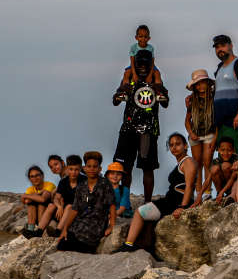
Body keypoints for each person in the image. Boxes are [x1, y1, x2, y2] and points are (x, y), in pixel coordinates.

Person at [120, 133, 198, 251]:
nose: (174, 147)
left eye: (178, 144)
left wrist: (183, 206)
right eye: (171, 145)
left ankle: (128, 245)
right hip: (170, 201)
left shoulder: (188, 162)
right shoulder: (182, 162)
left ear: (186, 146)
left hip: (174, 203)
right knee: (148, 219)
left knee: (140, 212)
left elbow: (190, 186)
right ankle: (142, 246)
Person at [112, 49, 169, 201]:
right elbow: (115, 100)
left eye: (146, 63)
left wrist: (160, 91)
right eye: (140, 63)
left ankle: (148, 202)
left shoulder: (157, 81)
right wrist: (122, 90)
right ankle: (124, 202)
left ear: (151, 64)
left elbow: (165, 103)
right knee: (124, 168)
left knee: (147, 168)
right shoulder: (129, 79)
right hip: (128, 129)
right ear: (135, 64)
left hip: (148, 131)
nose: (142, 67)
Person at [57, 152, 113, 253]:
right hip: (78, 225)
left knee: (83, 249)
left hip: (95, 227)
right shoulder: (81, 186)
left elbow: (112, 205)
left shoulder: (105, 184)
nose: (92, 169)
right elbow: (74, 209)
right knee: (62, 245)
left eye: (95, 166)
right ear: (85, 168)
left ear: (99, 169)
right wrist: (65, 228)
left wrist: (111, 225)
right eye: (89, 166)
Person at [210, 34, 238, 150]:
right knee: (223, 159)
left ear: (231, 45)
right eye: (217, 47)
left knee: (232, 158)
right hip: (221, 122)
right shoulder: (219, 68)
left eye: (223, 45)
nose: (220, 49)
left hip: (234, 121)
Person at [184, 69, 217, 196]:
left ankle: (207, 192)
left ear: (208, 83)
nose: (200, 86)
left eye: (203, 83)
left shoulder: (214, 98)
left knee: (207, 161)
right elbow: (187, 120)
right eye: (197, 84)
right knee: (197, 163)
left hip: (210, 133)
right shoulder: (192, 100)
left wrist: (215, 138)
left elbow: (218, 120)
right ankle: (198, 192)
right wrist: (191, 132)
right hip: (195, 134)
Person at [37, 154, 81, 236]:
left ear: (63, 163)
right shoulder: (62, 181)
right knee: (51, 204)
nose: (54, 168)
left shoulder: (72, 175)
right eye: (51, 167)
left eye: (56, 164)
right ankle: (38, 231)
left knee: (63, 204)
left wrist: (55, 192)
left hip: (73, 207)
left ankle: (57, 230)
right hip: (64, 205)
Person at [21, 164, 56, 237]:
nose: (35, 178)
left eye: (37, 175)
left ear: (42, 176)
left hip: (51, 215)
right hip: (37, 216)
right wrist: (39, 194)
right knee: (31, 206)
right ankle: (31, 230)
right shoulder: (30, 189)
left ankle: (41, 230)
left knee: (41, 204)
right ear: (30, 179)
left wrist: (26, 195)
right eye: (32, 176)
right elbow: (26, 201)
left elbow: (43, 199)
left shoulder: (49, 185)